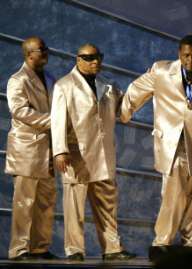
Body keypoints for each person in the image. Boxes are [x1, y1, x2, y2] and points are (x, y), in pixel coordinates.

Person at [120, 35, 192, 258]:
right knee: (172, 194)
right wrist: (123, 111)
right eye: (186, 55)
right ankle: (162, 241)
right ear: (179, 54)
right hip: (171, 141)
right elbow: (136, 88)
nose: (190, 60)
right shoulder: (162, 71)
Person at [51, 43, 135, 261]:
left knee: (107, 204)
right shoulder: (64, 85)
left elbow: (123, 111)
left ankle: (112, 249)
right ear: (77, 59)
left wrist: (142, 91)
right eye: (89, 58)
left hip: (103, 154)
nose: (95, 61)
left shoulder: (108, 85)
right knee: (74, 206)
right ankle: (75, 249)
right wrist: (59, 150)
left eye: (98, 56)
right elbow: (58, 120)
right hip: (76, 155)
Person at [5, 37, 58, 261]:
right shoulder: (17, 80)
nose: (46, 52)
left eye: (46, 48)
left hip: (48, 149)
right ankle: (19, 250)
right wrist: (54, 121)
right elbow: (20, 111)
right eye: (42, 50)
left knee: (46, 202)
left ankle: (39, 248)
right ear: (29, 54)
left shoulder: (50, 78)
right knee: (24, 202)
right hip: (26, 148)